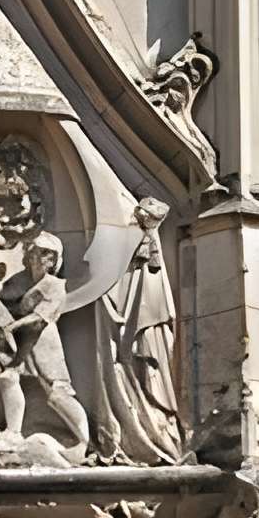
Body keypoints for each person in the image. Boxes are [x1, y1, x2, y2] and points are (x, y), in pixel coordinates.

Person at [96, 196, 182, 464]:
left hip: (150, 324)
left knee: (153, 362)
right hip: (139, 326)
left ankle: (160, 427)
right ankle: (153, 424)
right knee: (144, 362)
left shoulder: (152, 272)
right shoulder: (136, 263)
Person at [3, 232, 89, 460]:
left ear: (53, 260)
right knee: (8, 377)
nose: (37, 257)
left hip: (43, 340)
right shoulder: (22, 281)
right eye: (35, 251)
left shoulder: (55, 285)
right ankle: (13, 431)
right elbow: (4, 296)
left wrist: (12, 326)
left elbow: (40, 317)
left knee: (58, 392)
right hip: (25, 340)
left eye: (44, 253)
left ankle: (82, 442)